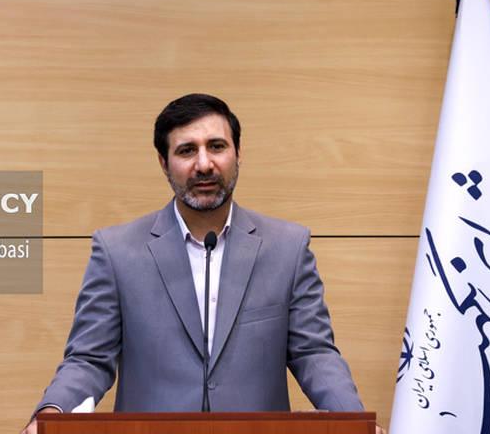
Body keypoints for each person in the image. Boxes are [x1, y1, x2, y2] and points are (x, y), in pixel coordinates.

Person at [22, 94, 383, 434]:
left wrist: (355, 424)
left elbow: (314, 353)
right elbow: (88, 359)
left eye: (217, 146)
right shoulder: (117, 251)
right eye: (187, 150)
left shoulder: (288, 248)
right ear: (164, 163)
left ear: (238, 153)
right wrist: (51, 413)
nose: (204, 164)